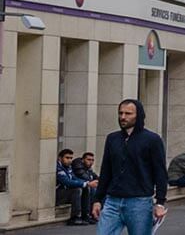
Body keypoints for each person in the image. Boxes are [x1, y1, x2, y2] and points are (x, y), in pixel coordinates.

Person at [94, 99, 168, 235]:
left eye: (128, 113)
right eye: (120, 113)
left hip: (139, 202)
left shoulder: (152, 140)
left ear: (138, 115)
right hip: (112, 202)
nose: (123, 117)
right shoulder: (112, 138)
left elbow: (160, 172)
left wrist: (160, 203)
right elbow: (106, 170)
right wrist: (98, 199)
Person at [58, 149, 99, 225]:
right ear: (60, 158)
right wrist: (87, 183)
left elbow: (74, 178)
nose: (70, 160)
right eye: (67, 158)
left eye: (71, 158)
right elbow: (66, 182)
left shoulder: (69, 167)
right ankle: (75, 217)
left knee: (85, 187)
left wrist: (86, 183)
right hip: (58, 195)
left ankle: (86, 216)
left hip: (66, 193)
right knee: (77, 189)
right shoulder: (58, 168)